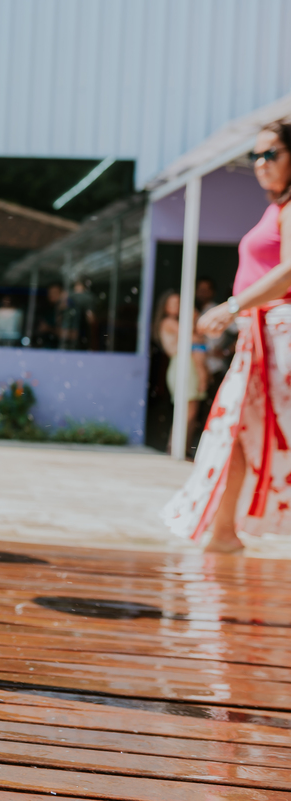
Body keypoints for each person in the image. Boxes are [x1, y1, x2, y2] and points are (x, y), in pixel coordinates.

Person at [162, 119, 291, 553]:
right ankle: (222, 534)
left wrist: (231, 307)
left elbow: (288, 270)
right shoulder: (277, 209)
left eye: (271, 153)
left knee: (244, 430)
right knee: (234, 430)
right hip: (262, 338)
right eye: (255, 155)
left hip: (280, 337)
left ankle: (223, 535)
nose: (260, 163)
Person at [153, 290, 208, 456]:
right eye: (174, 303)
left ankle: (183, 449)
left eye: (179, 303)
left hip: (188, 366)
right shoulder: (168, 322)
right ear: (165, 307)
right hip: (182, 366)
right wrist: (193, 319)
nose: (178, 306)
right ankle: (174, 448)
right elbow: (192, 338)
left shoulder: (176, 323)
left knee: (191, 411)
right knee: (186, 412)